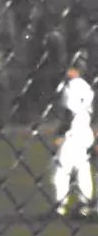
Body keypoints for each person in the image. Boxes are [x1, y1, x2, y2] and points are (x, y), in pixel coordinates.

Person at [51, 60, 95, 218]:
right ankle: (84, 205)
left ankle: (60, 207)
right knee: (83, 170)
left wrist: (60, 133)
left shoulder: (70, 86)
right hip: (84, 132)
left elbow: (69, 113)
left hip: (71, 135)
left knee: (61, 171)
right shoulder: (87, 87)